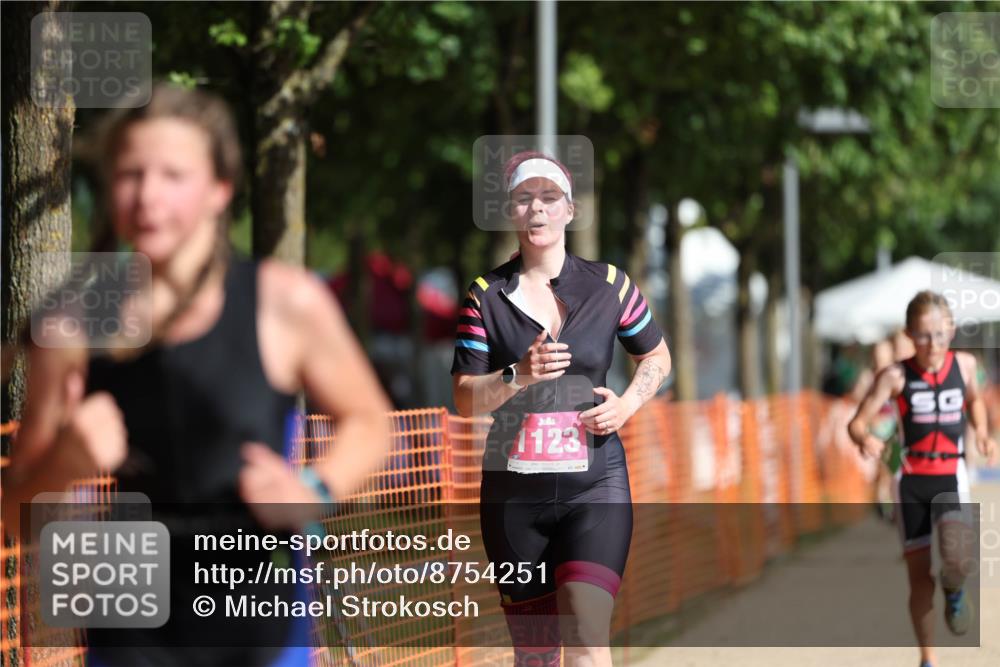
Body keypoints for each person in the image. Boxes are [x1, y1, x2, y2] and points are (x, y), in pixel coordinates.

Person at [1, 84, 393, 666]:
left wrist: (312, 490)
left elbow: (370, 421)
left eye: (172, 175)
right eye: (131, 174)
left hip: (257, 616)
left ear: (219, 190)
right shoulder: (77, 320)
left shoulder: (284, 303)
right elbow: (15, 508)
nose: (148, 196)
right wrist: (66, 460)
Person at [451, 151, 672, 667]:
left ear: (570, 210)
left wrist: (628, 404)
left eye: (550, 198)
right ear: (511, 211)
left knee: (587, 632)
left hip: (595, 485)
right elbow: (464, 397)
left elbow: (657, 357)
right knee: (535, 655)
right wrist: (516, 374)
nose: (538, 210)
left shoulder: (610, 286)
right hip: (513, 498)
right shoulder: (485, 297)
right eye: (525, 199)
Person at [848, 291, 997, 667]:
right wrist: (865, 438)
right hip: (911, 479)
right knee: (918, 580)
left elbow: (975, 399)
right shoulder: (895, 375)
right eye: (924, 336)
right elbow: (857, 421)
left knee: (958, 559)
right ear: (909, 335)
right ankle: (928, 658)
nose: (933, 344)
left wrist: (981, 430)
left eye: (940, 335)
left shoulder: (963, 365)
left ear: (952, 330)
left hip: (951, 473)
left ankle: (955, 588)